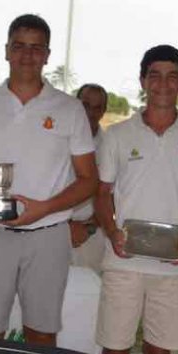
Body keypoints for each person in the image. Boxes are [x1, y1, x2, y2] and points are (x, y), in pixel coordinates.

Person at [0, 14, 98, 347]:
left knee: (42, 334)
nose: (27, 55)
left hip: (49, 236)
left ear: (47, 55)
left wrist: (44, 208)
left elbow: (89, 180)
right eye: (19, 46)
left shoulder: (69, 109)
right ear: (6, 51)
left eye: (36, 48)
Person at [95, 46, 178, 354]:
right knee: (114, 353)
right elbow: (101, 194)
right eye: (155, 76)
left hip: (172, 265)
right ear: (142, 81)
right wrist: (111, 231)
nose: (163, 84)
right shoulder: (118, 136)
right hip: (124, 261)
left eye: (172, 76)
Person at [70, 83, 109, 271]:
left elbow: (115, 196)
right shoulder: (57, 140)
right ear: (75, 105)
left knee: (88, 295)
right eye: (85, 105)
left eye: (97, 108)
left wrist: (88, 228)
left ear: (104, 111)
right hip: (55, 232)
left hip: (92, 235)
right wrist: (66, 227)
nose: (90, 113)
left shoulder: (111, 146)